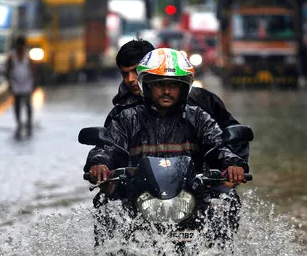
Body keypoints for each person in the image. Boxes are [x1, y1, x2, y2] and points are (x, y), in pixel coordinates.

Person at [86, 39, 249, 182]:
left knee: (224, 203)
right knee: (107, 204)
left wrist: (233, 167)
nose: (166, 91)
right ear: (148, 82)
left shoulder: (199, 113)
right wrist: (100, 164)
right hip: (139, 191)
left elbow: (221, 142)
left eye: (173, 84)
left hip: (194, 188)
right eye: (159, 84)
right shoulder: (125, 116)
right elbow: (109, 147)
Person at [6, 35, 37, 138]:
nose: (21, 47)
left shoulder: (28, 57)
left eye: (22, 45)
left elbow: (33, 70)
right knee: (17, 104)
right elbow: (8, 70)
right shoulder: (12, 57)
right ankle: (19, 122)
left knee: (28, 104)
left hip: (27, 83)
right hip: (16, 83)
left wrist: (35, 83)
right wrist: (9, 83)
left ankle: (29, 121)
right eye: (19, 45)